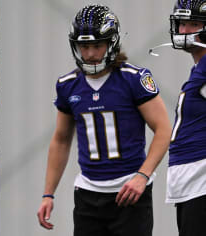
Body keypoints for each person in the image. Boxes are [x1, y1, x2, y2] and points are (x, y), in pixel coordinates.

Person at [36, 5, 172, 236]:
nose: (89, 54)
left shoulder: (134, 79)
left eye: (97, 46)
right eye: (84, 46)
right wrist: (48, 194)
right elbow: (60, 140)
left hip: (130, 193)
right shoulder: (67, 84)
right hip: (88, 194)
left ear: (112, 43)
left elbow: (163, 129)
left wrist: (142, 175)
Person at [163, 1, 206, 235]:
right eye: (182, 24)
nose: (184, 31)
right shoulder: (199, 68)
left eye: (194, 24)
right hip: (190, 183)